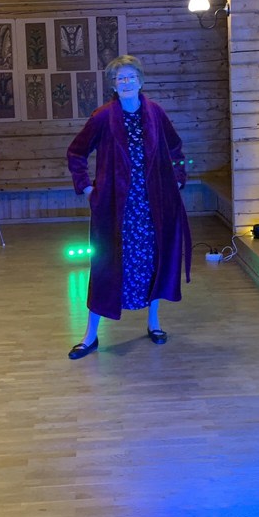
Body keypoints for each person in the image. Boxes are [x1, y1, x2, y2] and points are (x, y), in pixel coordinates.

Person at [65, 55, 192, 359]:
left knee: (152, 262)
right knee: (106, 266)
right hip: (115, 207)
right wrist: (87, 188)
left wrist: (177, 178)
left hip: (151, 206)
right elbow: (76, 153)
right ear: (113, 85)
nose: (125, 82)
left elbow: (175, 148)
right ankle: (90, 335)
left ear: (140, 81)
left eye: (130, 77)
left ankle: (154, 323)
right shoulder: (103, 116)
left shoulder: (155, 113)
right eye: (119, 78)